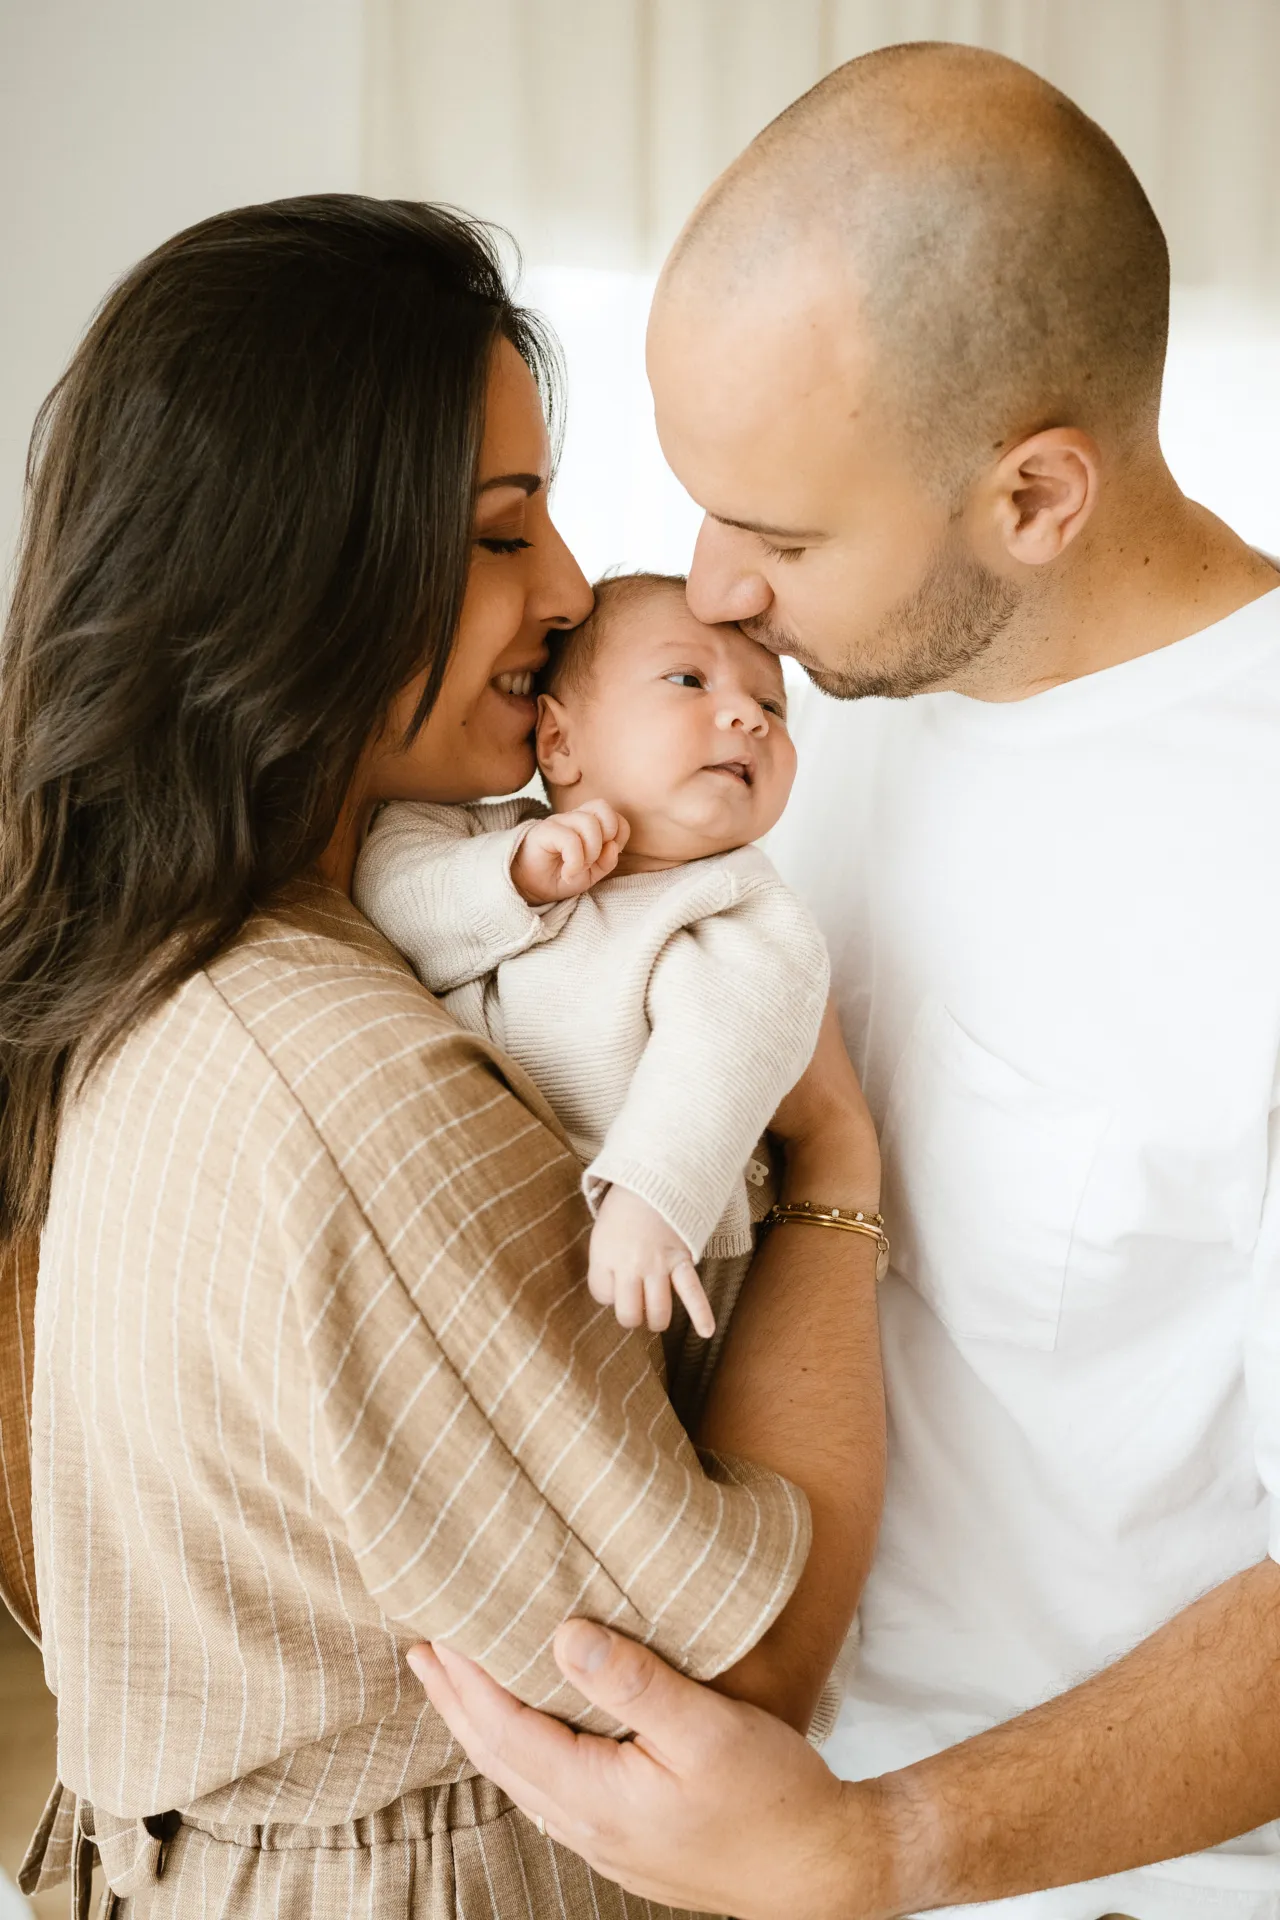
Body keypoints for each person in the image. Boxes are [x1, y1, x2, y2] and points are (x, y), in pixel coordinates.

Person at [409, 42, 1280, 1920]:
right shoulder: (777, 704)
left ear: (1036, 497)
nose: (709, 594)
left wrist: (882, 1849)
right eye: (703, 505)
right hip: (684, 1807)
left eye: (782, 539)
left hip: (1081, 1879)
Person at [0, 196, 885, 1917]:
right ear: (296, 565)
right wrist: (836, 1172)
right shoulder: (351, 1089)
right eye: (501, 533)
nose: (568, 590)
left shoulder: (195, 963)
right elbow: (748, 1686)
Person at [353, 570, 836, 1355]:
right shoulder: (490, 838)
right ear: (559, 741)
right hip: (500, 1212)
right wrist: (514, 875)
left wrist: (652, 1196)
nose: (749, 715)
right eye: (689, 679)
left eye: (774, 708)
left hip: (665, 1252)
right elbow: (388, 895)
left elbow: (722, 1056)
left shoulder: (738, 905)